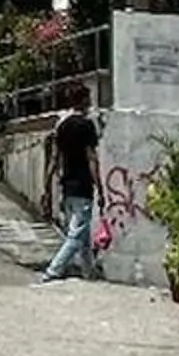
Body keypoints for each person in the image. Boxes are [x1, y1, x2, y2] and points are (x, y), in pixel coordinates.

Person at [39, 81, 103, 283]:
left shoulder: (62, 126)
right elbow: (91, 158)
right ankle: (53, 270)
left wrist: (46, 187)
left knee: (81, 235)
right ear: (83, 100)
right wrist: (100, 187)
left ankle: (89, 272)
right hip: (83, 185)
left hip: (66, 186)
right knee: (76, 234)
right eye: (88, 99)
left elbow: (54, 159)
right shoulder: (86, 126)